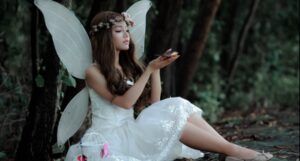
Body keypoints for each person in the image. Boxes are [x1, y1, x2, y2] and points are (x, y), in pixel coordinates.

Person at [62, 10, 273, 161]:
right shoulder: (93, 71)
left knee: (178, 104)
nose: (127, 35)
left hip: (131, 128)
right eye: (119, 31)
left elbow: (155, 103)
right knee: (170, 114)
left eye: (127, 30)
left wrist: (157, 70)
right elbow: (125, 103)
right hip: (112, 137)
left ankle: (229, 150)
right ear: (105, 36)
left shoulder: (124, 68)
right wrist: (149, 70)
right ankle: (235, 151)